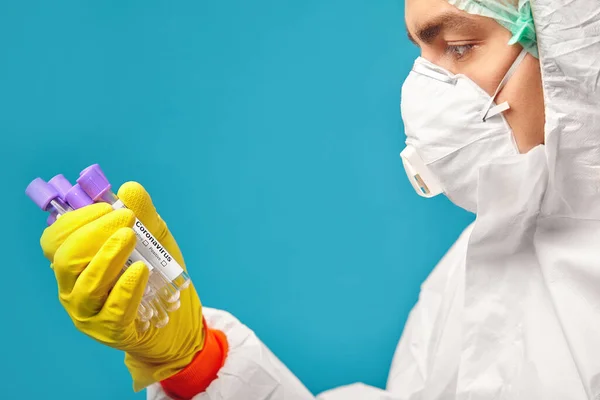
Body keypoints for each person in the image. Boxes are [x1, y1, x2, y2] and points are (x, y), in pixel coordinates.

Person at [38, 0, 600, 398]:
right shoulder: (479, 272)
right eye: (424, 56)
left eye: (457, 47)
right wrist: (195, 363)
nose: (425, 92)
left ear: (572, 44)